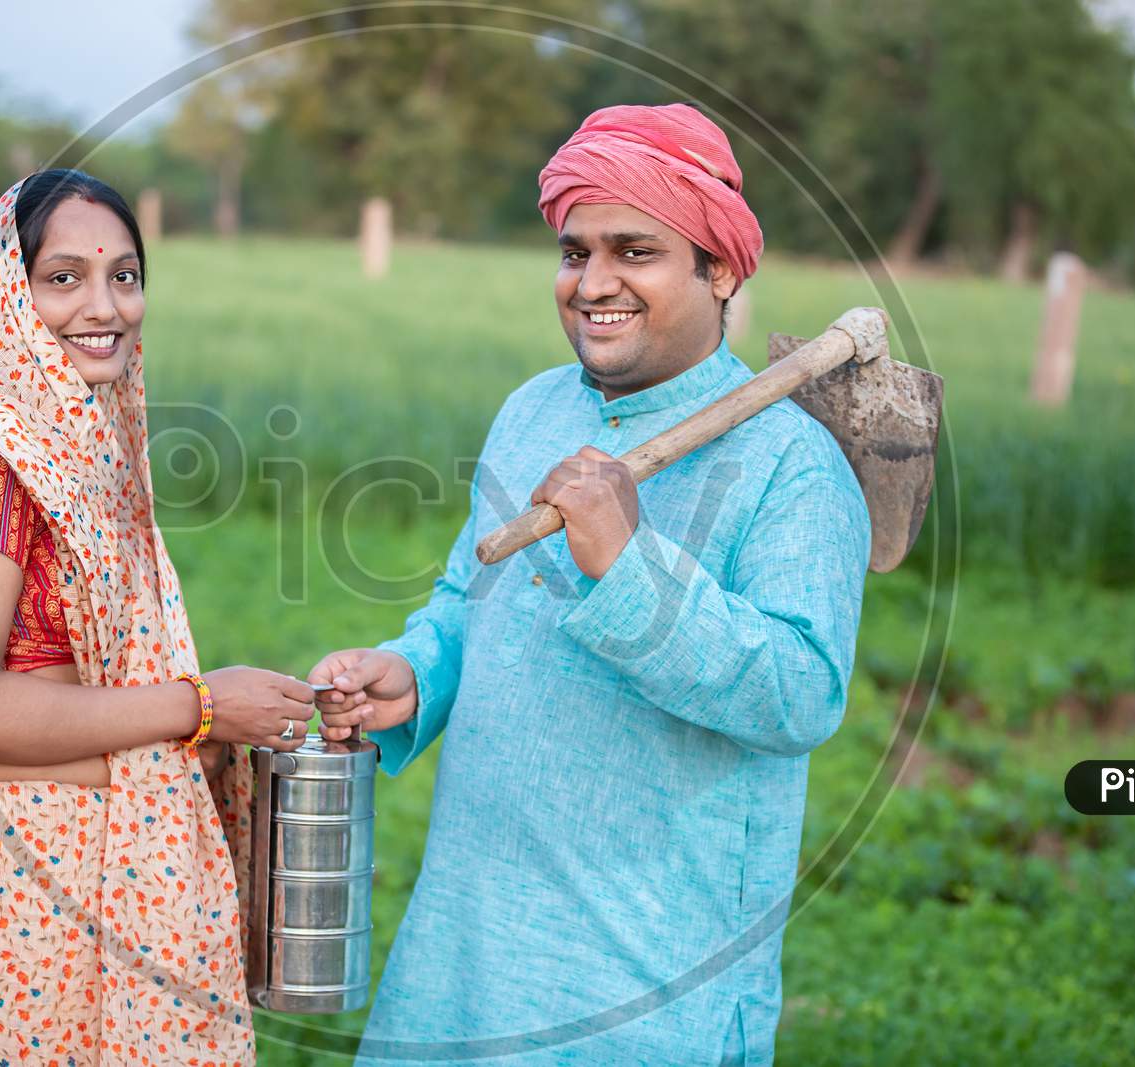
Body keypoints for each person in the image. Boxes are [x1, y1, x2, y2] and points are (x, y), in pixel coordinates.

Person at [310, 104, 871, 1066]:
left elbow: (802, 694)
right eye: (574, 252)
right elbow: (465, 600)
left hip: (646, 984)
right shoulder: (533, 410)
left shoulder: (793, 465)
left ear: (722, 269)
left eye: (635, 251)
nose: (594, 283)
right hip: (463, 957)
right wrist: (415, 673)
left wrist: (631, 564)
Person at [0, 170, 315, 1066]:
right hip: (13, 905)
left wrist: (197, 736)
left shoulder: (84, 447)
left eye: (125, 275)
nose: (106, 305)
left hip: (93, 884)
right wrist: (198, 707)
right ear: (8, 294)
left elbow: (87, 691)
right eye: (64, 278)